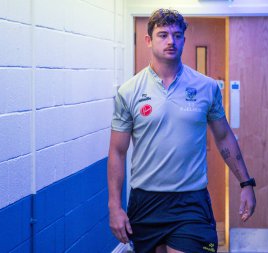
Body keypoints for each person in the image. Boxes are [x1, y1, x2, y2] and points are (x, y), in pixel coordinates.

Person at [107, 8, 256, 253]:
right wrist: (115, 206)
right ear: (148, 40)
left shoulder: (206, 87)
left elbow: (223, 136)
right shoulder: (129, 91)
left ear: (184, 40)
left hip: (191, 201)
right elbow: (117, 152)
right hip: (146, 201)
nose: (170, 41)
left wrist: (246, 183)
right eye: (163, 35)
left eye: (177, 35)